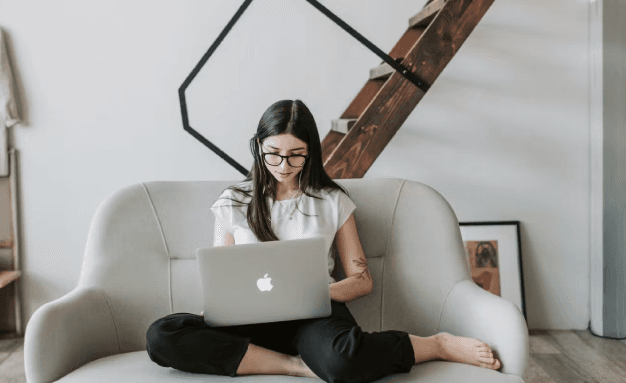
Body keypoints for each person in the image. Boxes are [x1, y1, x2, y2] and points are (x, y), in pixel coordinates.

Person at [146, 99, 502, 382]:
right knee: (162, 335)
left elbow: (362, 280)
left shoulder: (332, 201)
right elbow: (222, 276)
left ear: (310, 151)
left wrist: (309, 294)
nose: (283, 165)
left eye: (295, 154)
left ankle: (436, 344)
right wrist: (222, 306)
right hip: (249, 321)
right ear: (257, 147)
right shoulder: (233, 202)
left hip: (314, 315)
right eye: (273, 153)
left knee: (343, 361)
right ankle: (292, 366)